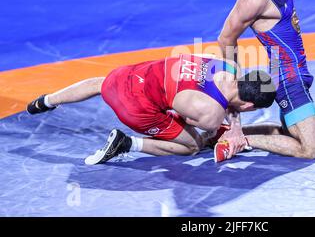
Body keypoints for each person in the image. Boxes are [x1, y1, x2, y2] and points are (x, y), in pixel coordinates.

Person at [26, 53, 276, 165]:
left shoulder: (228, 65)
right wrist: (228, 131)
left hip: (131, 75)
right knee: (192, 145)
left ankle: (47, 100)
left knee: (99, 83)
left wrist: (233, 122)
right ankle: (126, 144)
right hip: (134, 107)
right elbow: (184, 120)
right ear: (248, 105)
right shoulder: (211, 115)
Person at [216, 0, 315, 161]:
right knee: (311, 149)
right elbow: (225, 39)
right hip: (287, 79)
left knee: (288, 134)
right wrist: (234, 91)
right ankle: (240, 139)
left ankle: (221, 136)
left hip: (298, 72)